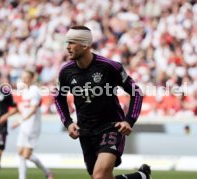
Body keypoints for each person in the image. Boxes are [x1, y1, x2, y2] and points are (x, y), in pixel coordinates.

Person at [54, 25, 151, 179]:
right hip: (85, 131)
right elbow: (58, 97)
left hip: (111, 127)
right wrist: (68, 122)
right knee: (101, 177)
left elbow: (136, 92)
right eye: (67, 43)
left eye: (72, 43)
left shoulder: (109, 67)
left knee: (99, 176)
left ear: (85, 45)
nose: (68, 47)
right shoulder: (65, 72)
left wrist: (129, 120)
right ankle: (140, 177)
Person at [11, 69, 53, 179]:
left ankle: (47, 172)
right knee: (21, 152)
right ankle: (23, 177)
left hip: (33, 126)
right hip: (24, 125)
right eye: (23, 77)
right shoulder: (25, 91)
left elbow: (33, 109)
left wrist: (19, 121)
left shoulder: (34, 90)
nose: (24, 79)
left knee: (26, 155)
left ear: (32, 78)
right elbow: (25, 108)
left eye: (26, 77)